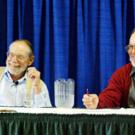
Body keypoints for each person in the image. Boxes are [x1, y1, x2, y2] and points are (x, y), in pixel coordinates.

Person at [82, 31, 135, 109]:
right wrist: (97, 102)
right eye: (130, 47)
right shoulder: (121, 74)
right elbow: (110, 97)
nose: (132, 52)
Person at [0, 39, 52, 107]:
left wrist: (37, 88)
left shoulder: (39, 84)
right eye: (11, 55)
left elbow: (47, 116)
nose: (14, 60)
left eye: (20, 57)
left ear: (30, 60)